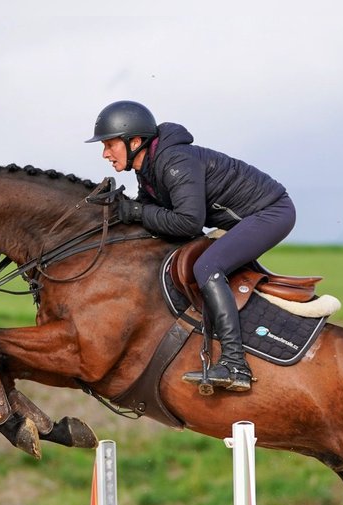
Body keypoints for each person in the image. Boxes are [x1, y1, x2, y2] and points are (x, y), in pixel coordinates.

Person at [86, 100, 296, 393]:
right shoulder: (146, 168)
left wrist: (134, 212)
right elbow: (151, 218)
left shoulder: (174, 162)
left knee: (208, 267)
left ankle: (236, 364)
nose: (105, 154)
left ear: (134, 141)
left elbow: (187, 224)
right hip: (248, 216)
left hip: (270, 212)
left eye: (109, 145)